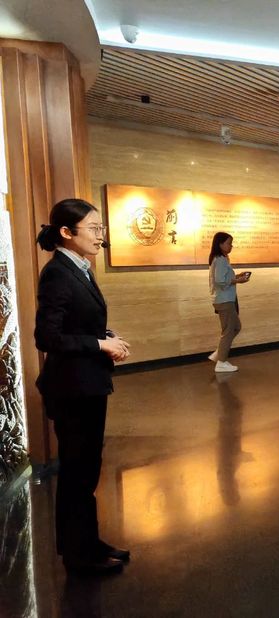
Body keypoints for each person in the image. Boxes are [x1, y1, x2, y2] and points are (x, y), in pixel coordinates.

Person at [34, 198, 131, 575]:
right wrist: (98, 345)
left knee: (88, 469)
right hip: (71, 389)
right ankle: (78, 556)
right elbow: (47, 337)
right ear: (66, 232)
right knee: (77, 472)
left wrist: (105, 336)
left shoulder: (79, 267)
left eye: (101, 228)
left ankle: (89, 542)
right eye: (93, 228)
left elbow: (78, 323)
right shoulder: (58, 273)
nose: (100, 235)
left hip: (87, 384)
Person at [208, 232, 251, 373]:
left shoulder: (221, 259)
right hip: (224, 300)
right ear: (220, 244)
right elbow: (220, 281)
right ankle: (221, 362)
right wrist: (238, 280)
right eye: (228, 243)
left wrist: (237, 277)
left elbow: (224, 278)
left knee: (236, 327)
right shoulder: (220, 259)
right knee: (229, 330)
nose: (231, 246)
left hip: (225, 299)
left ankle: (219, 353)